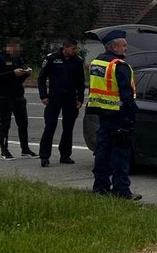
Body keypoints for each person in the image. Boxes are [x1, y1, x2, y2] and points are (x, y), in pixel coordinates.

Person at [87, 30, 141, 200]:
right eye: (124, 45)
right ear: (115, 46)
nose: (126, 48)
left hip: (101, 114)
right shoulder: (119, 66)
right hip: (118, 116)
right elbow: (126, 96)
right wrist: (131, 118)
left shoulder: (96, 63)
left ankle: (100, 187)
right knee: (120, 156)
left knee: (102, 152)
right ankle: (122, 190)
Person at [37, 39, 85, 167]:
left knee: (68, 127)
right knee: (50, 126)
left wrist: (80, 98)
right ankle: (45, 156)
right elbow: (41, 78)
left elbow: (81, 81)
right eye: (72, 49)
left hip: (70, 98)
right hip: (54, 97)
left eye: (76, 49)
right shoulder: (52, 59)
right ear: (65, 47)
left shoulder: (77, 61)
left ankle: (65, 154)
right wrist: (43, 95)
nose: (75, 51)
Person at [0, 38, 37, 160]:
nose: (17, 50)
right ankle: (4, 150)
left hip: (18, 94)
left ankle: (25, 149)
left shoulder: (17, 58)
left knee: (23, 122)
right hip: (3, 95)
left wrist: (25, 73)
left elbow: (19, 78)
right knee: (5, 123)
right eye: (15, 48)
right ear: (9, 46)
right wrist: (12, 73)